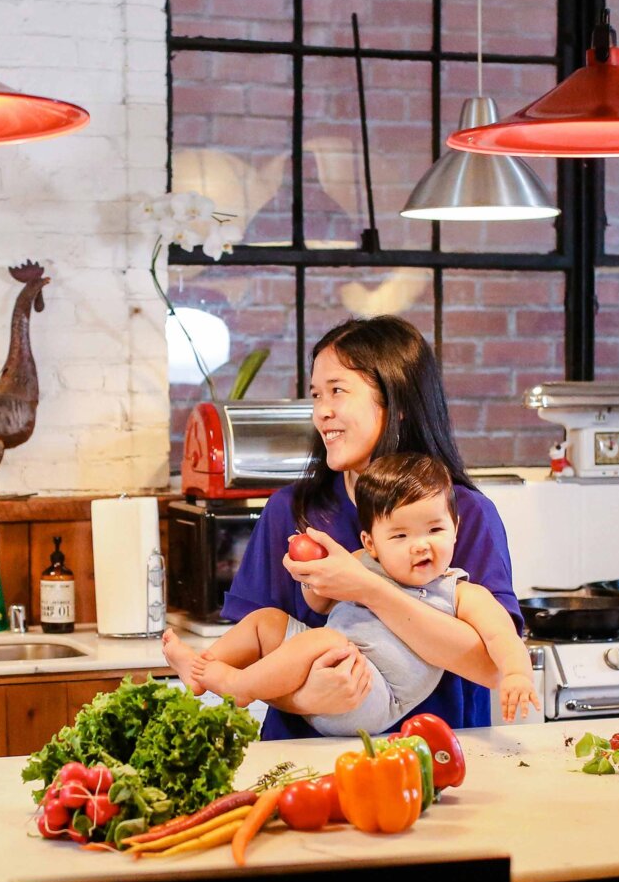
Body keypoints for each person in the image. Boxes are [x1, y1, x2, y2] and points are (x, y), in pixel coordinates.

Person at [214, 315, 524, 740]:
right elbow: (253, 654)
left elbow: (491, 667)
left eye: (338, 390)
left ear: (396, 404)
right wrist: (306, 700)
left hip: (432, 760)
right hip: (303, 760)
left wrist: (367, 588)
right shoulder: (291, 510)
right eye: (316, 395)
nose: (322, 412)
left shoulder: (462, 514)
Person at [164, 452, 539, 729]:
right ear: (371, 542)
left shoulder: (459, 592)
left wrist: (517, 675)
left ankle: (239, 686)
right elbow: (320, 602)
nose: (420, 545)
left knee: (325, 642)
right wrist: (313, 578)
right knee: (267, 622)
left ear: (456, 527)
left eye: (435, 530)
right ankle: (205, 667)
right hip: (329, 671)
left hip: (374, 695)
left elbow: (503, 637)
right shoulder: (362, 560)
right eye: (400, 535)